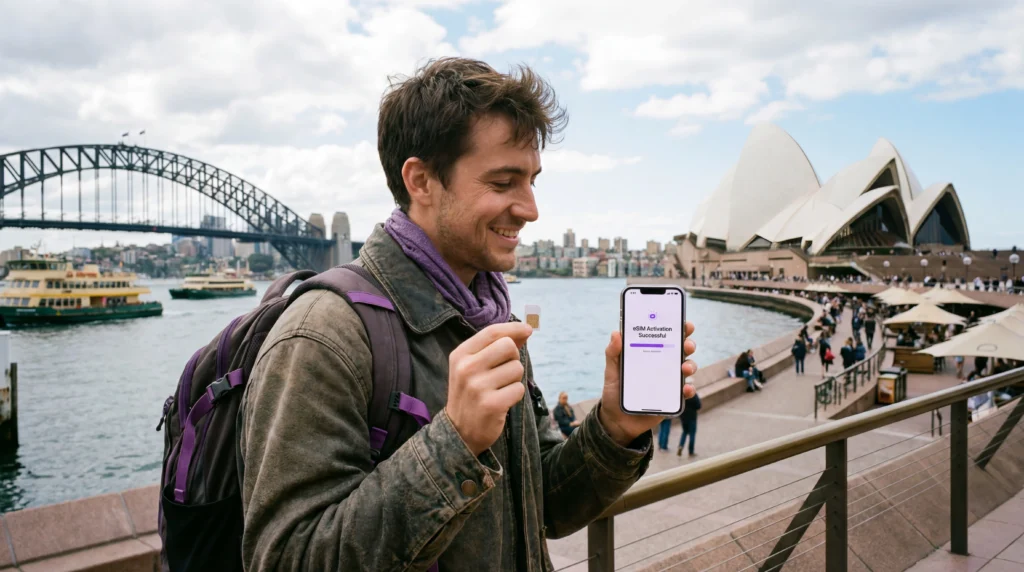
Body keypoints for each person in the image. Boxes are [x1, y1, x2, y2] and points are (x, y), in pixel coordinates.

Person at [238, 58, 700, 571]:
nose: (530, 208)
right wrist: (453, 445)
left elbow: (542, 504)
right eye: (504, 183)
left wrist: (615, 427)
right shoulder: (323, 336)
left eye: (532, 181)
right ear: (422, 181)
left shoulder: (486, 313)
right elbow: (284, 558)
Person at [677, 391, 702, 457]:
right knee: (692, 434)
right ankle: (691, 451)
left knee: (684, 432)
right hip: (692, 418)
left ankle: (680, 446)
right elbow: (698, 406)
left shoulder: (682, 395)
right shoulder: (694, 395)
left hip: (683, 418)